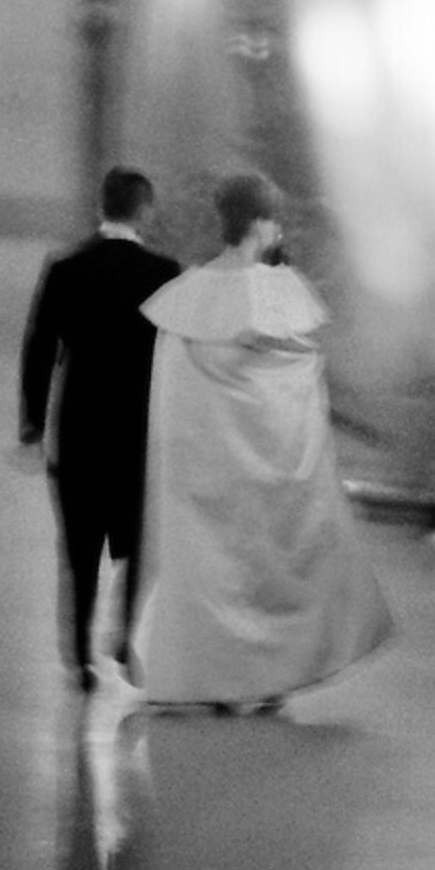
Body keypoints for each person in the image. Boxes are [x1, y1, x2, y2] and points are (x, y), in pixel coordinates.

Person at [133, 172, 393, 710]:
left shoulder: (190, 296)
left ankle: (211, 679)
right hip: (263, 471)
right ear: (262, 224)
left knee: (211, 569)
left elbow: (182, 392)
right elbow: (287, 374)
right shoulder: (274, 293)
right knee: (265, 567)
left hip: (203, 468)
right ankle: (268, 673)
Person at [19, 167, 180, 693]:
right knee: (138, 543)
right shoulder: (164, 273)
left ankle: (79, 658)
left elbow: (40, 347)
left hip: (80, 426)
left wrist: (32, 423)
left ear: (100, 206)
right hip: (138, 433)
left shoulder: (66, 268)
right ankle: (125, 636)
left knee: (79, 549)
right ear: (144, 210)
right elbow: (179, 357)